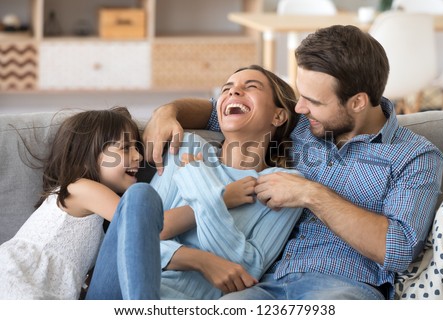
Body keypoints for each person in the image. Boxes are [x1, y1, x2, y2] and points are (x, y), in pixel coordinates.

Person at [142, 25, 443, 300]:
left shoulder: (415, 156)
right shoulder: (301, 123)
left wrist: (311, 194)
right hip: (266, 283)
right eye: (300, 96)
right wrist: (167, 112)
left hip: (343, 285)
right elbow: (219, 112)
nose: (300, 107)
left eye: (313, 101)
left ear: (357, 102)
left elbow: (399, 249)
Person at [86, 65, 303, 299]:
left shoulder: (283, 185)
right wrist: (201, 261)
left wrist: (203, 191)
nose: (233, 93)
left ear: (278, 116)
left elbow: (245, 269)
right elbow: (139, 235)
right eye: (227, 89)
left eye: (250, 87)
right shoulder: (188, 147)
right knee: (139, 195)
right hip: (117, 288)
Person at [0, 107, 163, 299]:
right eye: (126, 148)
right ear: (87, 158)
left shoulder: (98, 216)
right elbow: (144, 226)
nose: (139, 157)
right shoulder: (80, 189)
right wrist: (194, 212)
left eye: (137, 147)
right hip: (17, 280)